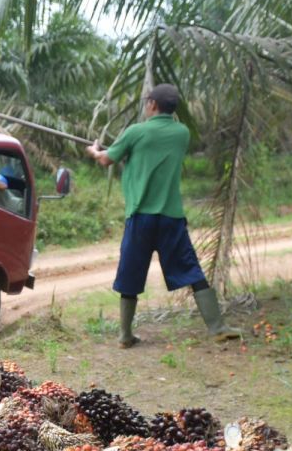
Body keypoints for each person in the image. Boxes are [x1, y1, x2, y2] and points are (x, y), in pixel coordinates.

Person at [86, 84, 242, 347]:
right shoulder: (182, 133)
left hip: (140, 217)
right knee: (191, 270)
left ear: (153, 105)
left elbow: (106, 160)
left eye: (147, 102)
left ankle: (125, 335)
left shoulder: (136, 132)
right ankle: (217, 327)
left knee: (131, 273)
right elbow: (149, 152)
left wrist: (94, 150)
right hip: (171, 217)